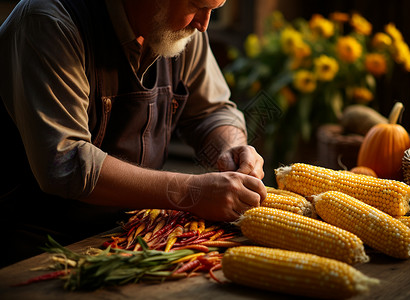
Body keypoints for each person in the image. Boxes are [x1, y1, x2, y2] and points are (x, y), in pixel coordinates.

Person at [0, 0, 266, 267]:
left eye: (214, 9)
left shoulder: (182, 31)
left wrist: (230, 148)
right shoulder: (49, 22)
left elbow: (212, 111)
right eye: (197, 6)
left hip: (125, 237)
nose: (204, 24)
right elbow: (66, 163)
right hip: (33, 246)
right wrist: (190, 191)